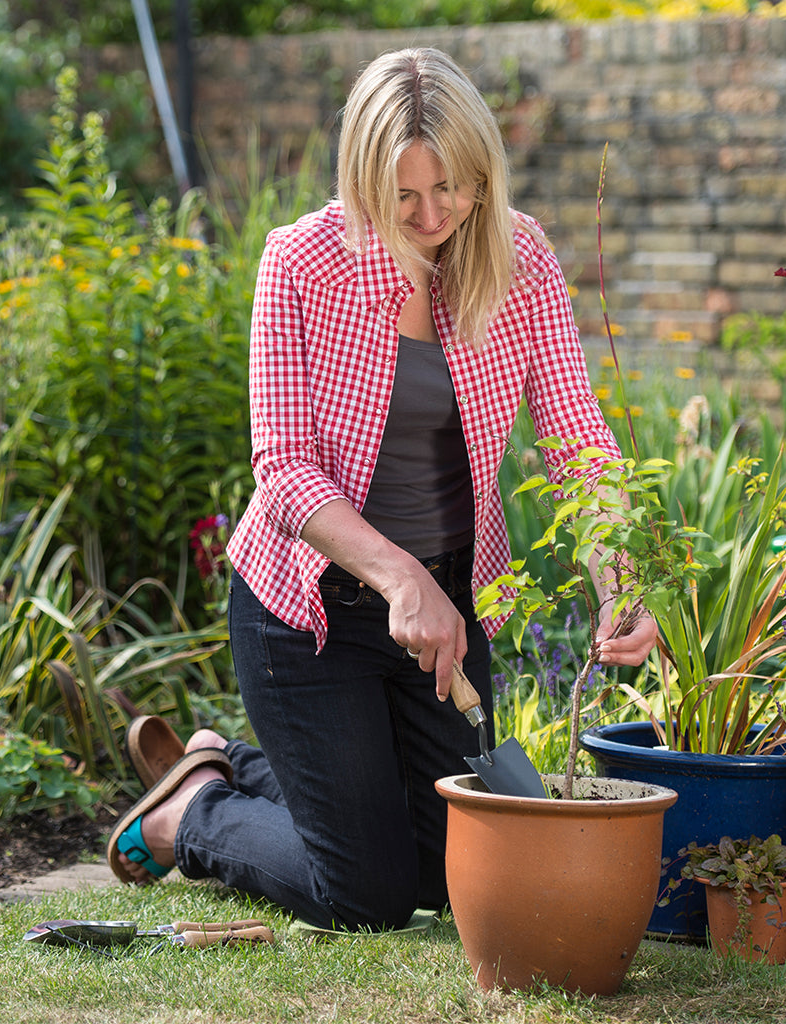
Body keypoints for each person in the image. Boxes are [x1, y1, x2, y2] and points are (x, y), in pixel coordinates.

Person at [107, 46, 658, 931]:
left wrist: (618, 577)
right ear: (362, 178)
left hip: (444, 613)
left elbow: (575, 438)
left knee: (448, 871)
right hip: (308, 612)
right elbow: (283, 467)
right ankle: (190, 816)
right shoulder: (300, 263)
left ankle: (228, 762)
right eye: (405, 196)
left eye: (455, 189)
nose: (434, 216)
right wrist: (401, 577)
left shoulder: (520, 258)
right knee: (366, 895)